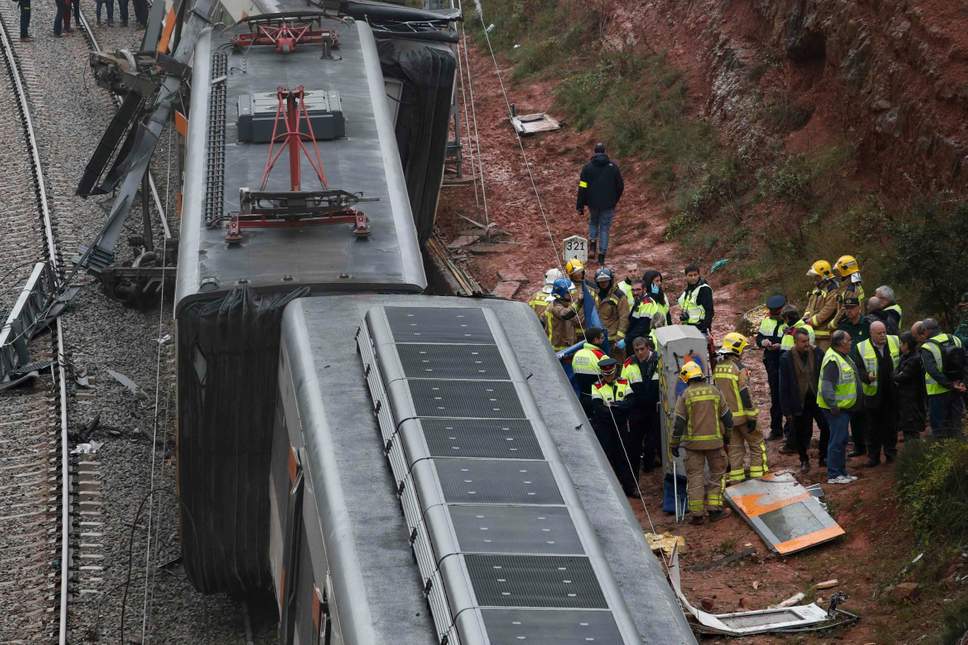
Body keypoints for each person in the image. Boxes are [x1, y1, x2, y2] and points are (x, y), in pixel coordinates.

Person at [671, 361, 733, 524]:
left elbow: (678, 423)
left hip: (693, 446)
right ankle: (714, 511)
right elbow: (727, 418)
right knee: (717, 475)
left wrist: (674, 443)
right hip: (715, 443)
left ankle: (697, 515)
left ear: (686, 378)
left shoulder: (685, 395)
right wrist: (728, 436)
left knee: (695, 478)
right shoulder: (715, 391)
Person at [714, 333, 767, 484]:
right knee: (756, 444)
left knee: (735, 448)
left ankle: (737, 480)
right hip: (743, 417)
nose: (743, 352)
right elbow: (745, 394)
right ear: (737, 349)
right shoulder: (739, 369)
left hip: (728, 420)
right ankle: (759, 476)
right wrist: (751, 417)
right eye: (742, 349)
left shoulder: (718, 368)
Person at [779, 327, 828, 472]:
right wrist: (786, 410)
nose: (806, 344)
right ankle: (804, 460)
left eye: (807, 341)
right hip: (799, 401)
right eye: (803, 342)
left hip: (817, 399)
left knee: (826, 427)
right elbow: (784, 386)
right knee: (801, 433)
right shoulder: (786, 358)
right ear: (795, 342)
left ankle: (823, 456)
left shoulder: (818, 353)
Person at [818, 330, 863, 484]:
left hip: (843, 407)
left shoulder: (842, 356)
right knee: (837, 440)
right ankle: (834, 475)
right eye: (849, 340)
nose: (851, 342)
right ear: (842, 343)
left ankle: (841, 472)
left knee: (842, 440)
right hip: (836, 408)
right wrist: (833, 405)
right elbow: (827, 386)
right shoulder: (832, 360)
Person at [854, 321, 900, 466]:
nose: (883, 335)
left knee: (891, 425)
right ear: (871, 333)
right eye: (879, 333)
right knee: (873, 428)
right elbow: (858, 369)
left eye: (884, 332)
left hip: (892, 392)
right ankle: (873, 457)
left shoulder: (895, 340)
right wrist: (866, 377)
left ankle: (890, 453)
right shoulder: (861, 347)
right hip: (873, 395)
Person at [589, 357, 636, 496]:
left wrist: (614, 407)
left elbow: (631, 402)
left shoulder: (624, 382)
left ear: (615, 371)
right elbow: (598, 408)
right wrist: (618, 409)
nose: (608, 377)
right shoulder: (596, 386)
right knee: (607, 456)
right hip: (605, 428)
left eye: (610, 374)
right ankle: (608, 490)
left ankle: (628, 488)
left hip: (621, 426)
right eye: (605, 374)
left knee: (623, 456)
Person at [576, 143, 624, 265]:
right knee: (604, 228)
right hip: (608, 203)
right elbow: (620, 186)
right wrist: (614, 199)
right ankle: (602, 256)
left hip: (593, 203)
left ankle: (592, 245)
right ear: (604, 151)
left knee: (593, 222)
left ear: (594, 152)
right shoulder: (613, 167)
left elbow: (582, 187)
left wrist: (580, 205)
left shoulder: (587, 168)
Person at [919, 318, 966, 438]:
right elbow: (965, 362)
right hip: (957, 390)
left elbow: (932, 371)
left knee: (939, 429)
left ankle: (942, 454)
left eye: (923, 331)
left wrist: (949, 384)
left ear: (927, 331)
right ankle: (958, 453)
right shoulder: (955, 339)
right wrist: (962, 383)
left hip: (937, 393)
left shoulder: (927, 347)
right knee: (956, 425)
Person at [836, 297, 871, 457]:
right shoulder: (843, 327)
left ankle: (871, 442)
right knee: (855, 411)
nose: (849, 311)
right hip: (851, 370)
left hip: (868, 369)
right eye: (846, 308)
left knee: (870, 410)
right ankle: (859, 445)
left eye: (852, 308)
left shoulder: (868, 324)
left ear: (859, 308)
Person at [622, 337, 661, 475]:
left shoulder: (659, 362)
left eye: (642, 349)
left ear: (648, 348)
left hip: (654, 409)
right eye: (637, 350)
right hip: (637, 409)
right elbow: (623, 386)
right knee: (635, 443)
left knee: (652, 442)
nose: (639, 353)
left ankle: (649, 466)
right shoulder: (628, 365)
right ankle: (636, 470)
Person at [756, 294, 788, 442]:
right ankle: (776, 430)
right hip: (771, 362)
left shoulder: (790, 323)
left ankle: (789, 430)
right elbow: (759, 338)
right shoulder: (766, 322)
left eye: (777, 312)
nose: (773, 315)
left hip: (786, 362)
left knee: (788, 396)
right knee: (775, 396)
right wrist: (764, 342)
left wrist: (781, 346)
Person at [893, 331, 926, 442]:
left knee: (911, 426)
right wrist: (896, 374)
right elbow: (897, 372)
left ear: (907, 344)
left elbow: (902, 376)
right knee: (906, 425)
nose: (900, 346)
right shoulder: (905, 357)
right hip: (905, 397)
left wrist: (895, 375)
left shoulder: (914, 359)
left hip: (912, 398)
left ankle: (913, 453)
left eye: (901, 343)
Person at [594, 268, 630, 361]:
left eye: (606, 281)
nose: (603, 283)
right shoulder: (594, 294)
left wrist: (619, 339)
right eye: (601, 281)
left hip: (613, 340)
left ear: (610, 280)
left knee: (617, 365)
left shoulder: (619, 295)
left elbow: (624, 318)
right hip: (599, 339)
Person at [803, 260, 839, 350]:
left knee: (823, 360)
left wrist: (813, 321)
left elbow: (828, 309)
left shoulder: (833, 290)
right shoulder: (817, 289)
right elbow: (810, 305)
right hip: (813, 334)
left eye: (817, 277)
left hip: (826, 336)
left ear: (824, 276)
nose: (815, 281)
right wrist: (805, 317)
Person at [572, 327, 608, 415]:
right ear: (596, 340)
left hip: (582, 398)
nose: (604, 340)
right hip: (598, 401)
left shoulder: (577, 354)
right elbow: (609, 378)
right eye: (602, 338)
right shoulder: (601, 356)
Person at [678, 265, 714, 335]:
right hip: (688, 327)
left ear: (699, 275)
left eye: (695, 275)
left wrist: (704, 329)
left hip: (700, 328)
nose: (693, 277)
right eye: (690, 275)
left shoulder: (704, 289)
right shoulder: (688, 290)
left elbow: (709, 311)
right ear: (686, 276)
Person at [545, 278, 579, 352]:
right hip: (558, 349)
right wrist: (579, 302)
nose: (570, 294)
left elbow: (576, 322)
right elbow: (566, 315)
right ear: (560, 294)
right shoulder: (555, 307)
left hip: (568, 348)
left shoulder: (565, 306)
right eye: (568, 292)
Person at [832, 255, 865, 326]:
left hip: (849, 325)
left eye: (839, 271)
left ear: (844, 270)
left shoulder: (850, 289)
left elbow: (845, 310)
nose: (838, 274)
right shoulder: (855, 284)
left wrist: (833, 324)